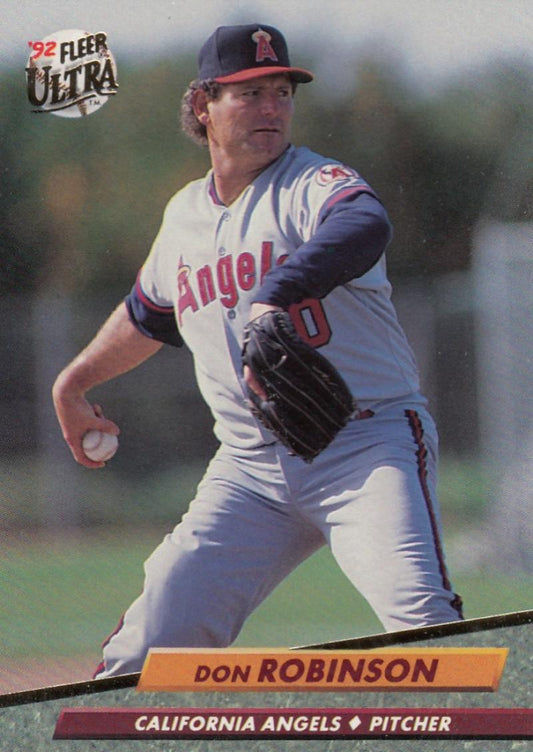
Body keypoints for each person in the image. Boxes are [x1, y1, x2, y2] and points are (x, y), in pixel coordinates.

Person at [52, 23, 463, 679]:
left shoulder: (309, 183)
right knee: (143, 653)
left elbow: (364, 222)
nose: (271, 108)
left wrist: (277, 292)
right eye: (248, 94)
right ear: (201, 105)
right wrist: (72, 382)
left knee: (421, 624)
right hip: (249, 471)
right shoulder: (183, 215)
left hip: (362, 445)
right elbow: (147, 315)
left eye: (280, 91)